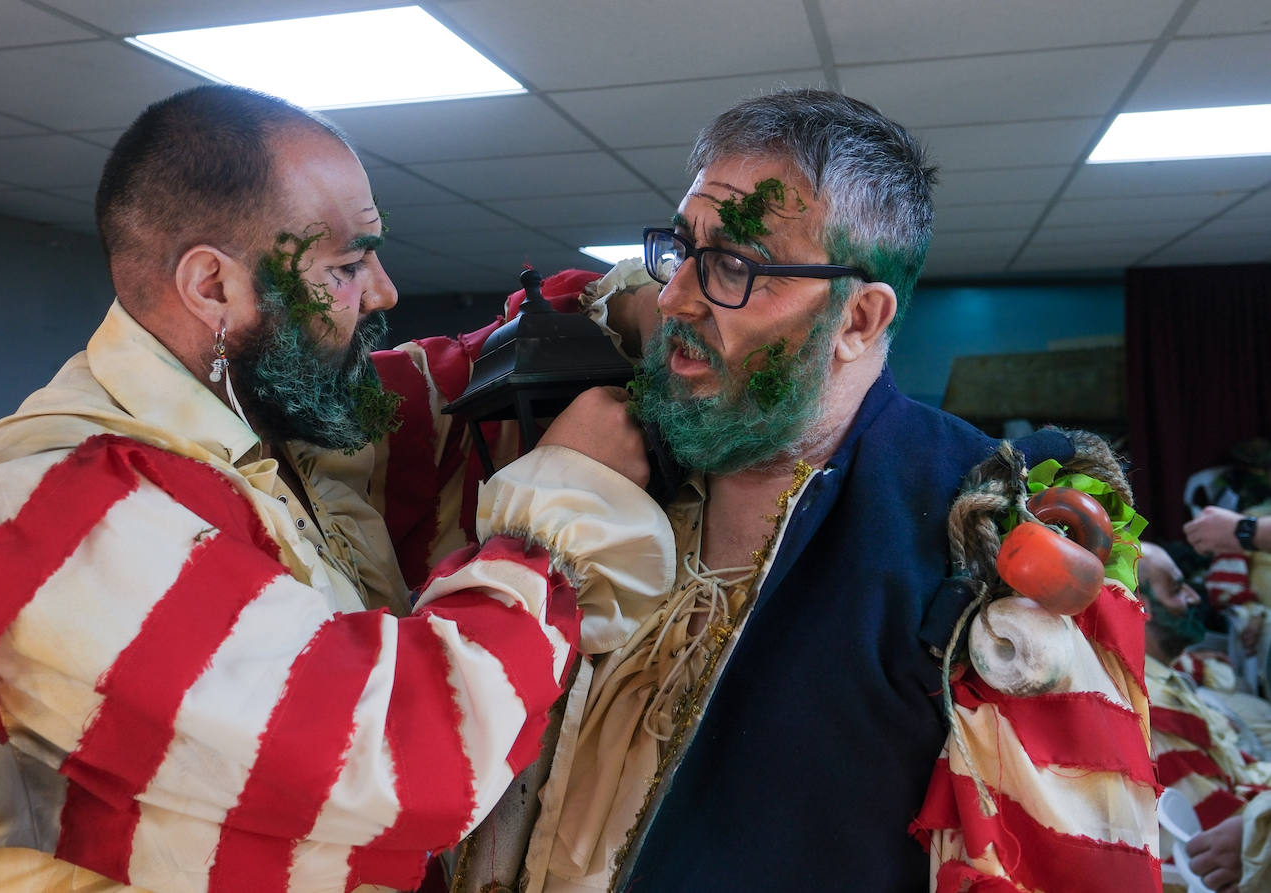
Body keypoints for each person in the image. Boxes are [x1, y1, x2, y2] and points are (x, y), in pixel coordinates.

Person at [0, 85, 675, 893]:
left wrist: (624, 311)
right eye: (345, 265)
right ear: (213, 288)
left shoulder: (254, 427)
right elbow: (401, 759)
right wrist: (563, 518)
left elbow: (439, 389)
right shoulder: (63, 502)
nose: (382, 292)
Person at [451, 88, 1158, 892]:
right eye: (683, 249)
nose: (678, 295)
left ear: (858, 319)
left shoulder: (979, 549)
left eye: (735, 266)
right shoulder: (607, 462)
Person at [1139, 541, 1271, 893]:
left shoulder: (1164, 679)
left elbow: (1236, 772)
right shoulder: (1151, 704)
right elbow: (1215, 833)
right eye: (1176, 588)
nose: (1195, 598)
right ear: (1140, 606)